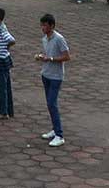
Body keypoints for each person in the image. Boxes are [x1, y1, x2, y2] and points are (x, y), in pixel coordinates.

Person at [35, 13, 70, 147]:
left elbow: (67, 57)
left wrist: (50, 59)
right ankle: (55, 129)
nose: (43, 28)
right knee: (49, 104)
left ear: (52, 26)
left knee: (52, 103)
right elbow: (48, 54)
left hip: (56, 76)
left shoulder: (59, 39)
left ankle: (59, 135)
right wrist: (42, 57)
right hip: (46, 74)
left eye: (45, 25)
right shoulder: (45, 39)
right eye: (42, 25)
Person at [0, 7, 16, 120]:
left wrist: (7, 46)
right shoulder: (0, 27)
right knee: (5, 85)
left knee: (1, 87)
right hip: (3, 59)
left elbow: (11, 40)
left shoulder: (1, 28)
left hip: (1, 60)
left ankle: (3, 112)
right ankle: (8, 110)